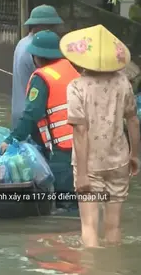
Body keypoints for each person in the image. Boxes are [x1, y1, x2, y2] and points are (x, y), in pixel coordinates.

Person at [59, 24, 140, 247]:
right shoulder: (123, 82)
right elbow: (133, 120)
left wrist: (83, 174)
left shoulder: (76, 87)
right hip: (118, 162)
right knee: (113, 226)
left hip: (90, 166)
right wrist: (135, 155)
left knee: (89, 226)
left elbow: (80, 131)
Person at [1, 30, 80, 205]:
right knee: (79, 201)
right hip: (83, 145)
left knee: (63, 205)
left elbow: (31, 114)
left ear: (37, 56)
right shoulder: (70, 69)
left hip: (62, 152)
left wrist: (11, 139)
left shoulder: (42, 77)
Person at [11, 5, 64, 129]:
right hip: (31, 117)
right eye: (51, 27)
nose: (53, 31)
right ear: (40, 26)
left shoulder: (22, 42)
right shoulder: (37, 49)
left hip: (20, 113)